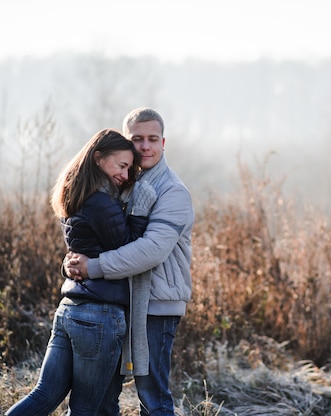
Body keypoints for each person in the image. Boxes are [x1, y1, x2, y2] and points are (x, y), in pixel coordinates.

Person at [6, 128, 157, 415]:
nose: (126, 175)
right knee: (86, 408)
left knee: (43, 396)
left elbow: (88, 247)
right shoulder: (100, 201)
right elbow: (129, 248)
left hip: (70, 310)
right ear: (99, 158)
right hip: (99, 316)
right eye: (122, 166)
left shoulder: (76, 194)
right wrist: (139, 211)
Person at [65, 107, 194, 416]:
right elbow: (94, 235)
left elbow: (149, 251)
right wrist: (72, 265)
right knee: (103, 394)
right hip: (118, 303)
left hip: (156, 306)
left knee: (151, 396)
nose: (145, 146)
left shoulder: (172, 192)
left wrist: (92, 267)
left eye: (152, 139)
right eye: (137, 139)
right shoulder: (121, 183)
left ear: (164, 143)